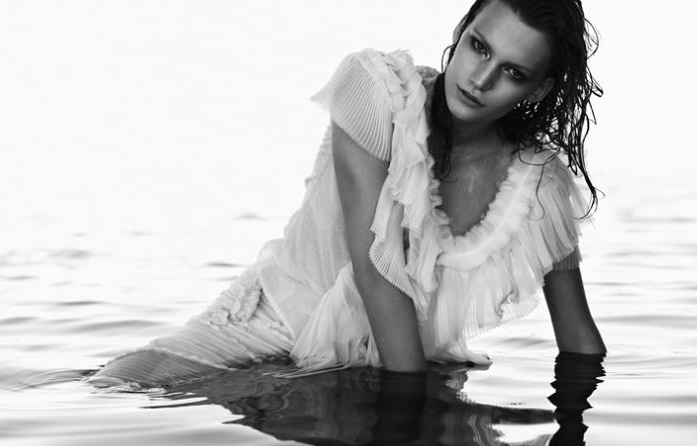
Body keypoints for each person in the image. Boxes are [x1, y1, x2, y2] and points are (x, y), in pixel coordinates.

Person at [90, 0, 606, 387]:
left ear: (538, 89)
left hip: (389, 368)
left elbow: (579, 339)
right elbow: (376, 273)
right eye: (479, 47)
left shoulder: (538, 185)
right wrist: (408, 425)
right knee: (118, 387)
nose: (482, 78)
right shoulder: (377, 92)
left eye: (513, 72)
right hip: (269, 328)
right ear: (460, 32)